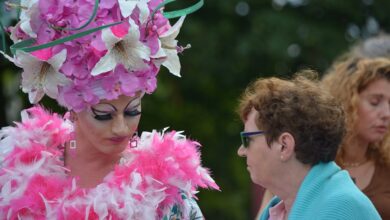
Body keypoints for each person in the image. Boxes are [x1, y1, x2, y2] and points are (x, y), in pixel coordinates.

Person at [0, 0, 219, 219]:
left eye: (132, 111)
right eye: (104, 114)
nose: (122, 128)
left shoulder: (165, 190)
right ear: (73, 107)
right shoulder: (14, 173)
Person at [237, 72, 381, 219]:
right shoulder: (280, 209)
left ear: (284, 145)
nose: (241, 151)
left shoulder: (339, 208)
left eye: (247, 139)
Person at [322, 56, 390, 219]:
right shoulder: (309, 163)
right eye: (375, 102)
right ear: (346, 103)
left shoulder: (386, 166)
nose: (387, 114)